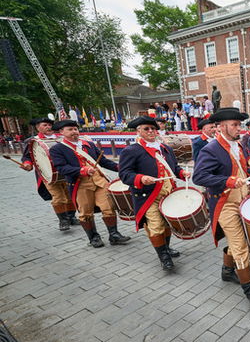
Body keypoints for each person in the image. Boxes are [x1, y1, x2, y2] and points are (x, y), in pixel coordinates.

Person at [192, 107, 250, 305]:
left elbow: (244, 169)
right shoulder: (211, 149)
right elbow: (199, 176)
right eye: (234, 125)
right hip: (224, 204)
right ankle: (249, 288)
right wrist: (228, 180)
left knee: (238, 242)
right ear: (221, 126)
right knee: (241, 246)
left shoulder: (238, 146)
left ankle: (227, 271)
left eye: (239, 124)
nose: (239, 129)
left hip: (242, 200)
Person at [118, 116, 188, 271]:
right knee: (156, 226)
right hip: (148, 196)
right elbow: (124, 174)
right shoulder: (131, 151)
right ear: (138, 131)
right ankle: (164, 257)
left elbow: (174, 168)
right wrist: (141, 178)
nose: (151, 131)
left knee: (168, 223)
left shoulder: (165, 148)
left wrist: (183, 173)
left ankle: (166, 248)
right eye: (146, 129)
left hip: (169, 192)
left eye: (153, 128)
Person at [49, 120, 130, 248]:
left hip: (99, 181)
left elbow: (103, 161)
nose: (74, 131)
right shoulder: (57, 149)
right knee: (85, 212)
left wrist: (121, 168)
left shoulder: (89, 145)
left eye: (75, 129)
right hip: (80, 183)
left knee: (108, 207)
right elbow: (62, 168)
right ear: (61, 132)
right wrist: (81, 170)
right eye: (70, 129)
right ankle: (94, 237)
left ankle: (114, 235)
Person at [21, 117, 79, 231]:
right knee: (58, 197)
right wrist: (27, 164)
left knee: (69, 195)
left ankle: (71, 217)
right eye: (45, 125)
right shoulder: (34, 141)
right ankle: (63, 220)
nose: (48, 127)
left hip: (66, 172)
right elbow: (27, 157)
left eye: (49, 125)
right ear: (38, 127)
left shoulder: (62, 138)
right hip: (48, 175)